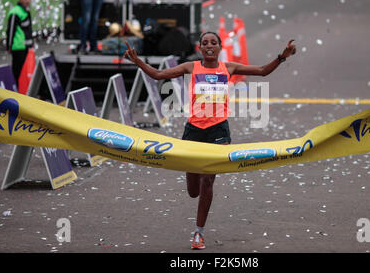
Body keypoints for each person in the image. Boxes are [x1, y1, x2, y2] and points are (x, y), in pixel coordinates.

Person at [124, 31, 296, 250]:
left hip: (218, 131)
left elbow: (262, 71)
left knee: (208, 181)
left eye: (213, 43)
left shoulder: (229, 67)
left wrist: (282, 57)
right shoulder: (190, 67)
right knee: (193, 190)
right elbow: (159, 75)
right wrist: (137, 60)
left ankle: (199, 232)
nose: (209, 46)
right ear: (200, 48)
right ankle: (198, 219)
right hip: (194, 131)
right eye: (205, 43)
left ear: (219, 47)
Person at [6, 0, 33, 83]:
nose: (27, 1)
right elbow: (10, 31)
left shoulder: (26, 12)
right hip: (18, 48)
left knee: (26, 74)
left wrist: (31, 44)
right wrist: (9, 46)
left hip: (26, 48)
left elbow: (29, 31)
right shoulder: (15, 12)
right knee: (17, 74)